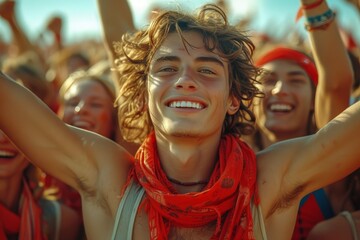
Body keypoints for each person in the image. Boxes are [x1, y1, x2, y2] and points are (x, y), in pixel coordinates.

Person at [0, 4, 359, 240]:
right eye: (167, 68)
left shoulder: (272, 181)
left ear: (234, 99)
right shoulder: (108, 179)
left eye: (206, 69)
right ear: (142, 95)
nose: (185, 80)